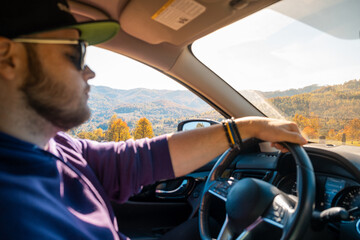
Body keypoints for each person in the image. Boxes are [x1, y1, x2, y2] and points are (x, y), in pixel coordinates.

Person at [0, 0, 307, 239]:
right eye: (75, 52)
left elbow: (139, 158)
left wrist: (247, 127)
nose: (90, 71)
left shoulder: (56, 145)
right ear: (7, 56)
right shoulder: (13, 213)